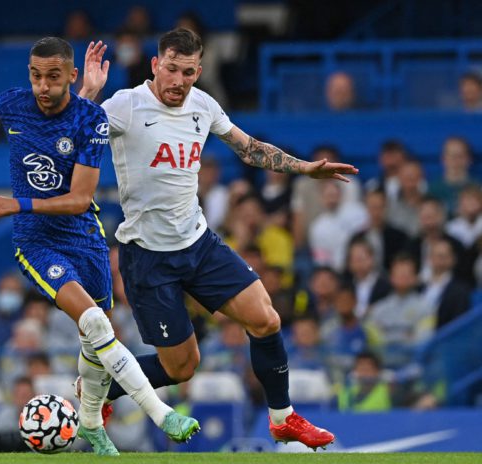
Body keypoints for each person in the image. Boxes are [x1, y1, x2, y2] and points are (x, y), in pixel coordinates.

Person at [78, 29, 355, 449]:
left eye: (188, 72)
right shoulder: (126, 105)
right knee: (181, 367)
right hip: (149, 258)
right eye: (171, 69)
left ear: (198, 71)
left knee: (266, 319)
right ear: (156, 65)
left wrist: (304, 169)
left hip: (199, 243)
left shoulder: (203, 105)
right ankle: (97, 388)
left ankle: (282, 419)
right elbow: (73, 135)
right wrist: (88, 93)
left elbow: (250, 149)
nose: (178, 80)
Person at [0, 37, 198, 455]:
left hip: (83, 234)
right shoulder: (9, 105)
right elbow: (55, 122)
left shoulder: (93, 120)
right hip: (36, 239)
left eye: (54, 77)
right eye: (36, 76)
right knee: (96, 324)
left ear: (72, 75)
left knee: (91, 341)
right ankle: (162, 413)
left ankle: (92, 422)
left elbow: (79, 199)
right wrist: (23, 211)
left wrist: (17, 201)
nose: (42, 86)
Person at [429, 136, 479, 215]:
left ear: (469, 159)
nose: (455, 160)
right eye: (451, 156)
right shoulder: (432, 190)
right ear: (443, 159)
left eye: (460, 156)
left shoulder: (478, 187)